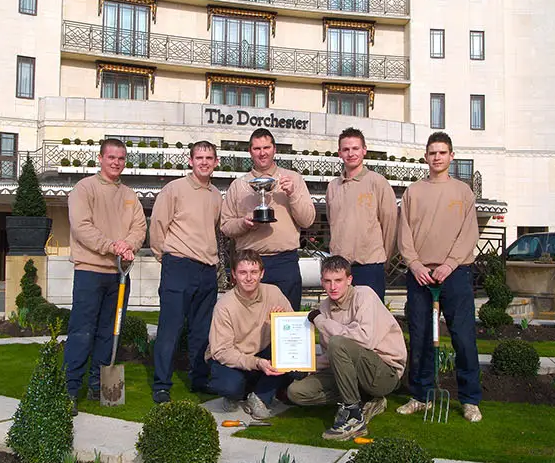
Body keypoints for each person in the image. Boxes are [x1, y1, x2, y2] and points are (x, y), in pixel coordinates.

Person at [395, 131, 484, 422]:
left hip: (455, 274)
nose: (437, 157)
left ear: (451, 156)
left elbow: (469, 233)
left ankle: (470, 399)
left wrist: (450, 264)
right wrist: (416, 265)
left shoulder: (463, 192)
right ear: (426, 157)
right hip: (420, 276)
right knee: (421, 336)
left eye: (442, 153)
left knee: (463, 337)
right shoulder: (413, 192)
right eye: (432, 153)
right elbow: (403, 234)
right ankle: (420, 395)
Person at [63, 138, 147, 402]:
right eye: (111, 157)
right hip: (90, 272)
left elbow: (140, 228)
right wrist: (113, 246)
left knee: (110, 333)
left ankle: (99, 386)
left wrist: (128, 245)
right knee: (82, 331)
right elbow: (82, 227)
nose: (116, 163)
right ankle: (71, 389)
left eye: (121, 158)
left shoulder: (130, 195)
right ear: (100, 158)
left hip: (119, 275)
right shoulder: (84, 189)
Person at [287, 256, 405, 441]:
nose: (333, 287)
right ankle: (363, 399)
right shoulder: (325, 306)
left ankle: (353, 415)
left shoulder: (364, 295)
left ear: (349, 280)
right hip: (350, 370)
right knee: (296, 392)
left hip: (384, 371)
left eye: (338, 280)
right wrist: (305, 365)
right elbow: (332, 354)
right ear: (322, 282)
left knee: (338, 342)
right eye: (328, 281)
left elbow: (363, 339)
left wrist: (321, 321)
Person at [148, 141, 222, 404]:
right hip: (178, 265)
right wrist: (165, 257)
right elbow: (157, 226)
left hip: (206, 269)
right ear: (190, 161)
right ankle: (161, 384)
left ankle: (199, 378)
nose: (204, 162)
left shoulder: (215, 195)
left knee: (202, 331)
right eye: (199, 157)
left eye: (209, 157)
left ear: (216, 162)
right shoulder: (174, 190)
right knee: (170, 328)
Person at [221, 128, 317, 310]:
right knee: (250, 323)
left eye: (266, 147)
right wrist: (244, 223)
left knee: (286, 322)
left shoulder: (293, 179)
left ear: (275, 149)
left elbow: (307, 221)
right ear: (250, 152)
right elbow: (225, 226)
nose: (262, 153)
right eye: (257, 148)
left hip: (284, 262)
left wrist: (292, 194)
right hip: (249, 263)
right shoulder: (239, 185)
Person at [207, 250, 297, 420]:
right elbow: (222, 351)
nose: (249, 278)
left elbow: (293, 332)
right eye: (243, 272)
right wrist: (256, 363)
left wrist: (280, 321)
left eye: (254, 272)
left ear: (262, 273)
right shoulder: (224, 306)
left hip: (261, 353)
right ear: (234, 274)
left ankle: (259, 398)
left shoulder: (274, 293)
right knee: (230, 386)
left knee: (290, 359)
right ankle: (238, 393)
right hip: (232, 358)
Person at [325, 128, 398, 300]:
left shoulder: (377, 182)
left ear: (364, 150)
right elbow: (332, 221)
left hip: (369, 266)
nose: (351, 153)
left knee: (369, 321)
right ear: (340, 153)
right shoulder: (332, 187)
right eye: (346, 149)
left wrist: (383, 259)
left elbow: (390, 224)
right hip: (340, 269)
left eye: (355, 148)